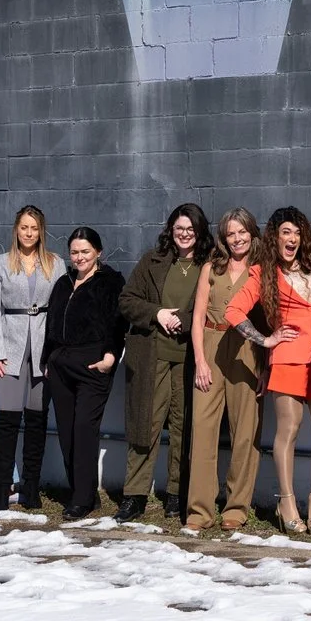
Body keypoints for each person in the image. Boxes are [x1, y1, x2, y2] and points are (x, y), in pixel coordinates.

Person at [116, 202, 208, 520]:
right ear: (171, 229)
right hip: (151, 356)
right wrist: (157, 313)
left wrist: (182, 317)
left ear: (199, 231)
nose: (184, 234)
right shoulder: (152, 261)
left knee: (184, 427)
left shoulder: (209, 265)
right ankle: (135, 495)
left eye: (190, 229)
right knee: (147, 424)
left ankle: (176, 493)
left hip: (190, 359)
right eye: (179, 228)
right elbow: (127, 300)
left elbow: (214, 306)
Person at [186, 209, 274, 533]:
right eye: (230, 234)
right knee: (203, 431)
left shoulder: (264, 271)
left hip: (248, 352)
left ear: (252, 233)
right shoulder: (212, 268)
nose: (237, 239)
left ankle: (236, 508)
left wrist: (268, 365)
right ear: (223, 238)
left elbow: (271, 322)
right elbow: (196, 317)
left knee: (245, 432)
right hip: (211, 343)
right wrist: (199, 360)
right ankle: (199, 511)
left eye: (242, 233)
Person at [0, 206, 62, 514]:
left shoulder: (55, 264)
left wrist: (55, 352)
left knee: (37, 421)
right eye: (24, 227)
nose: (29, 233)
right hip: (10, 350)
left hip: (43, 350)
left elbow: (60, 307)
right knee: (7, 421)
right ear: (16, 229)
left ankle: (31, 487)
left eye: (35, 228)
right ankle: (2, 489)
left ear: (41, 231)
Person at [44, 227, 126, 522]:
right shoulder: (64, 283)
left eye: (85, 252)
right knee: (66, 431)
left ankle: (82, 500)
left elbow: (118, 321)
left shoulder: (110, 282)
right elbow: (51, 322)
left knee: (84, 430)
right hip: (61, 364)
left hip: (93, 364)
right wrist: (47, 360)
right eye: (75, 252)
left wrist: (110, 357)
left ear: (98, 252)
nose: (79, 257)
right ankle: (83, 492)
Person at [262, 206, 311, 535]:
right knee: (289, 431)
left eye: (296, 232)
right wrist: (266, 339)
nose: (292, 238)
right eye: (286, 232)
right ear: (275, 237)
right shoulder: (264, 272)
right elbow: (234, 311)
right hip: (288, 359)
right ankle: (287, 502)